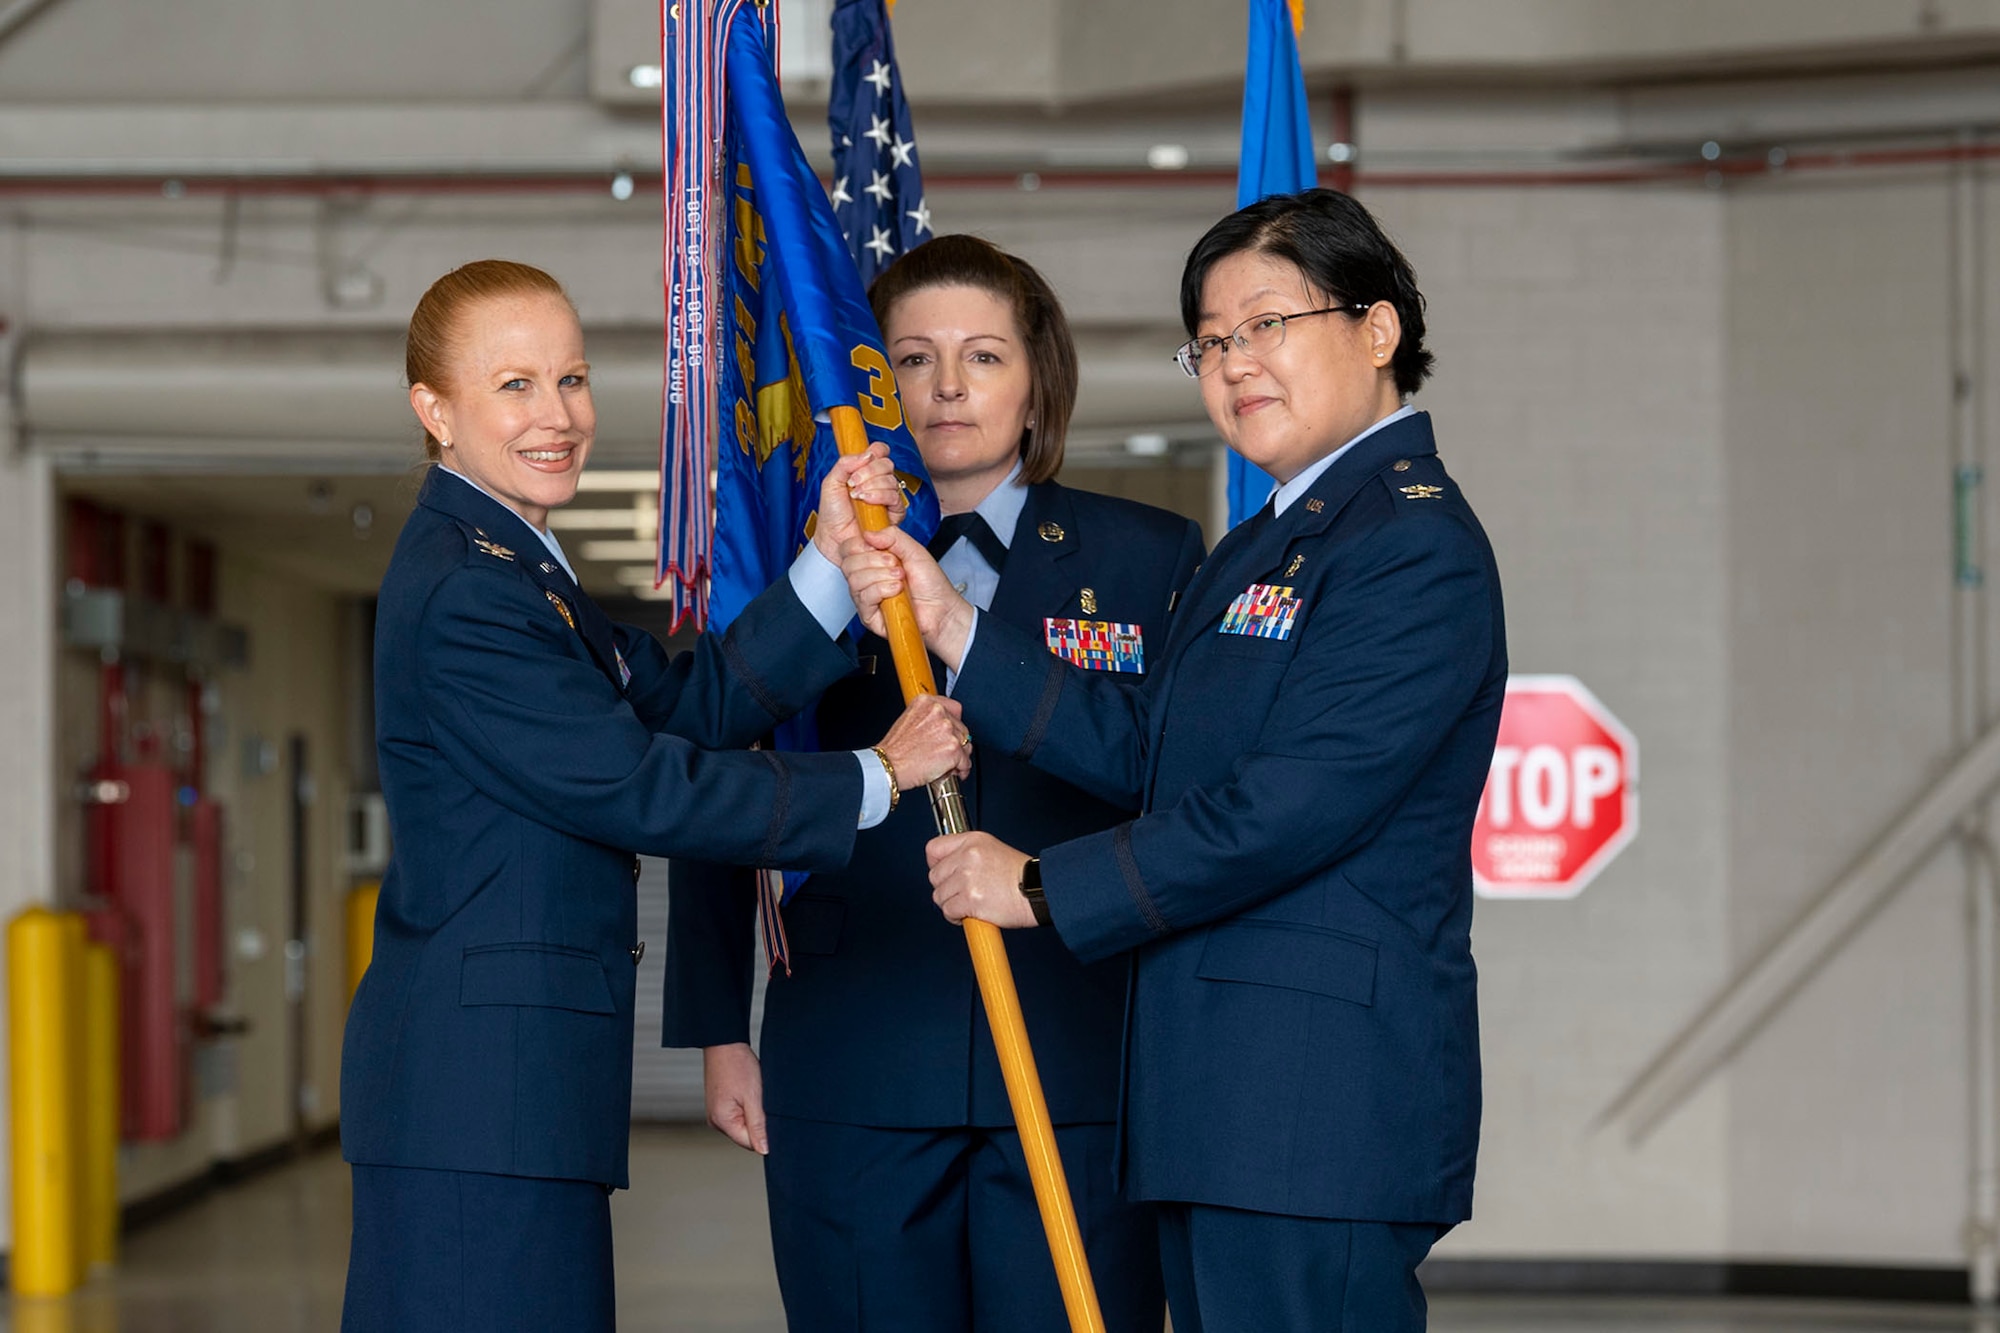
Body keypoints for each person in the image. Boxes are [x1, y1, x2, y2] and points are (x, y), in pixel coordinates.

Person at [842, 190, 1506, 1332]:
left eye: (1266, 325)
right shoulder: (1270, 540)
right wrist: (953, 625)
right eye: (1210, 339)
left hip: (1311, 1114)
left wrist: (1041, 885)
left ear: (1379, 329)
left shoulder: (1409, 547)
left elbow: (1287, 806)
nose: (1234, 362)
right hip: (1219, 1108)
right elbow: (1157, 746)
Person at [338, 259, 971, 1333]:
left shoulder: (517, 568)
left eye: (572, 379)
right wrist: (876, 774)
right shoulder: (466, 590)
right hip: (476, 1097)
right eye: (515, 386)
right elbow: (634, 783)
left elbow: (686, 701)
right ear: (433, 410)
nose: (558, 415)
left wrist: (822, 560)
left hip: (505, 1094)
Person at [664, 235, 1203, 1332]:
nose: (946, 387)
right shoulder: (803, 557)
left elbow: (1166, 773)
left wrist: (963, 635)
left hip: (1072, 1052)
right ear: (868, 382)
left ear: (1037, 378)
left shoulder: (1148, 556)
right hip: (855, 1051)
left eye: (984, 356)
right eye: (910, 359)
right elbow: (718, 773)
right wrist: (719, 1024)